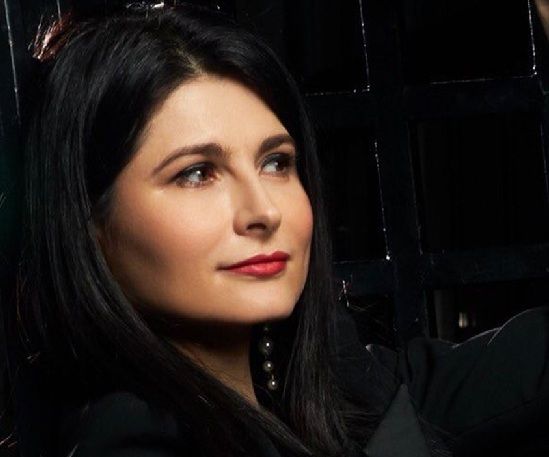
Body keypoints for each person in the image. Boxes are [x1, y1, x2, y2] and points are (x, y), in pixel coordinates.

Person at [5, 3, 549, 457]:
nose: (263, 211)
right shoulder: (131, 440)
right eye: (196, 173)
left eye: (276, 163)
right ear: (90, 225)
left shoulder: (327, 383)